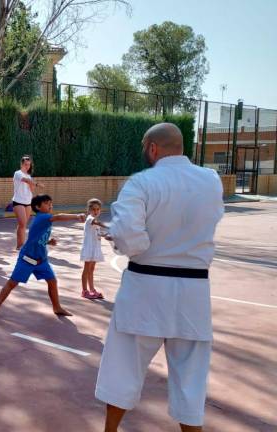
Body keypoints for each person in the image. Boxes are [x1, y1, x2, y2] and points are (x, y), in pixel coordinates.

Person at [95, 123, 224, 432]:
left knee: (123, 369)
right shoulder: (211, 181)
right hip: (193, 292)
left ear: (152, 148)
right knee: (191, 380)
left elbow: (130, 238)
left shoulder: (141, 183)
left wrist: (119, 239)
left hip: (145, 289)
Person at [0, 194, 85, 318]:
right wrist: (76, 216)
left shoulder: (43, 219)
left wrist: (48, 241)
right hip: (27, 259)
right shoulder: (42, 218)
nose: (50, 205)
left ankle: (57, 307)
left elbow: (36, 237)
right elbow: (59, 216)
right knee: (12, 283)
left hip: (41, 260)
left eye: (51, 202)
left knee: (52, 281)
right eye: (46, 203)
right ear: (38, 207)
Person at [80, 198, 107, 300]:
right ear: (89, 210)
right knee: (86, 269)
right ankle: (84, 291)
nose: (96, 211)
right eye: (93, 209)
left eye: (98, 209)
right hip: (89, 248)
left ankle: (92, 289)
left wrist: (107, 235)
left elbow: (98, 233)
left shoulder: (95, 222)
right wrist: (111, 226)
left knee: (91, 269)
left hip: (95, 249)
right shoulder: (90, 219)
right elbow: (98, 223)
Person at [12, 156, 40, 249]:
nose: (27, 166)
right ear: (22, 164)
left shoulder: (29, 176)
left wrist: (33, 185)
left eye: (29, 165)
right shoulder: (18, 173)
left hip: (28, 202)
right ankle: (21, 245)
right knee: (23, 223)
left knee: (22, 224)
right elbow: (25, 180)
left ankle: (19, 245)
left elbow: (31, 189)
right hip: (18, 201)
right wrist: (35, 183)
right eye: (25, 164)